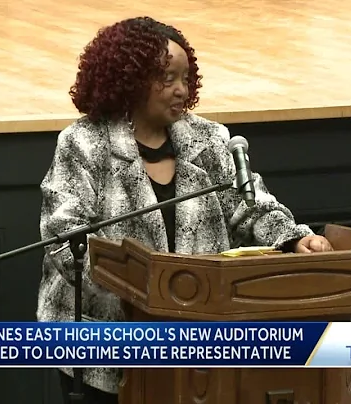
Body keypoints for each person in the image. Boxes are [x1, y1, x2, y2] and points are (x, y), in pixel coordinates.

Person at [36, 16, 334, 404]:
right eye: (167, 78)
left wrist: (294, 239)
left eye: (186, 79)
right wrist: (140, 281)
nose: (181, 90)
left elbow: (252, 206)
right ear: (130, 79)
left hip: (197, 346)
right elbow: (65, 237)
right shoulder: (84, 143)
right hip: (108, 347)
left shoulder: (209, 140)